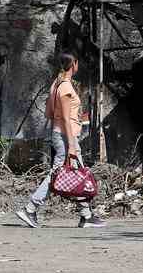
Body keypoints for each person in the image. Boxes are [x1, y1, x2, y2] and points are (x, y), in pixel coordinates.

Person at [15, 53, 106, 229]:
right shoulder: (65, 87)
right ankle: (30, 208)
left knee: (73, 172)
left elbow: (48, 114)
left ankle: (86, 215)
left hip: (61, 134)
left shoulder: (55, 85)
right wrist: (71, 143)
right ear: (74, 64)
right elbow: (64, 118)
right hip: (66, 136)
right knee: (59, 174)